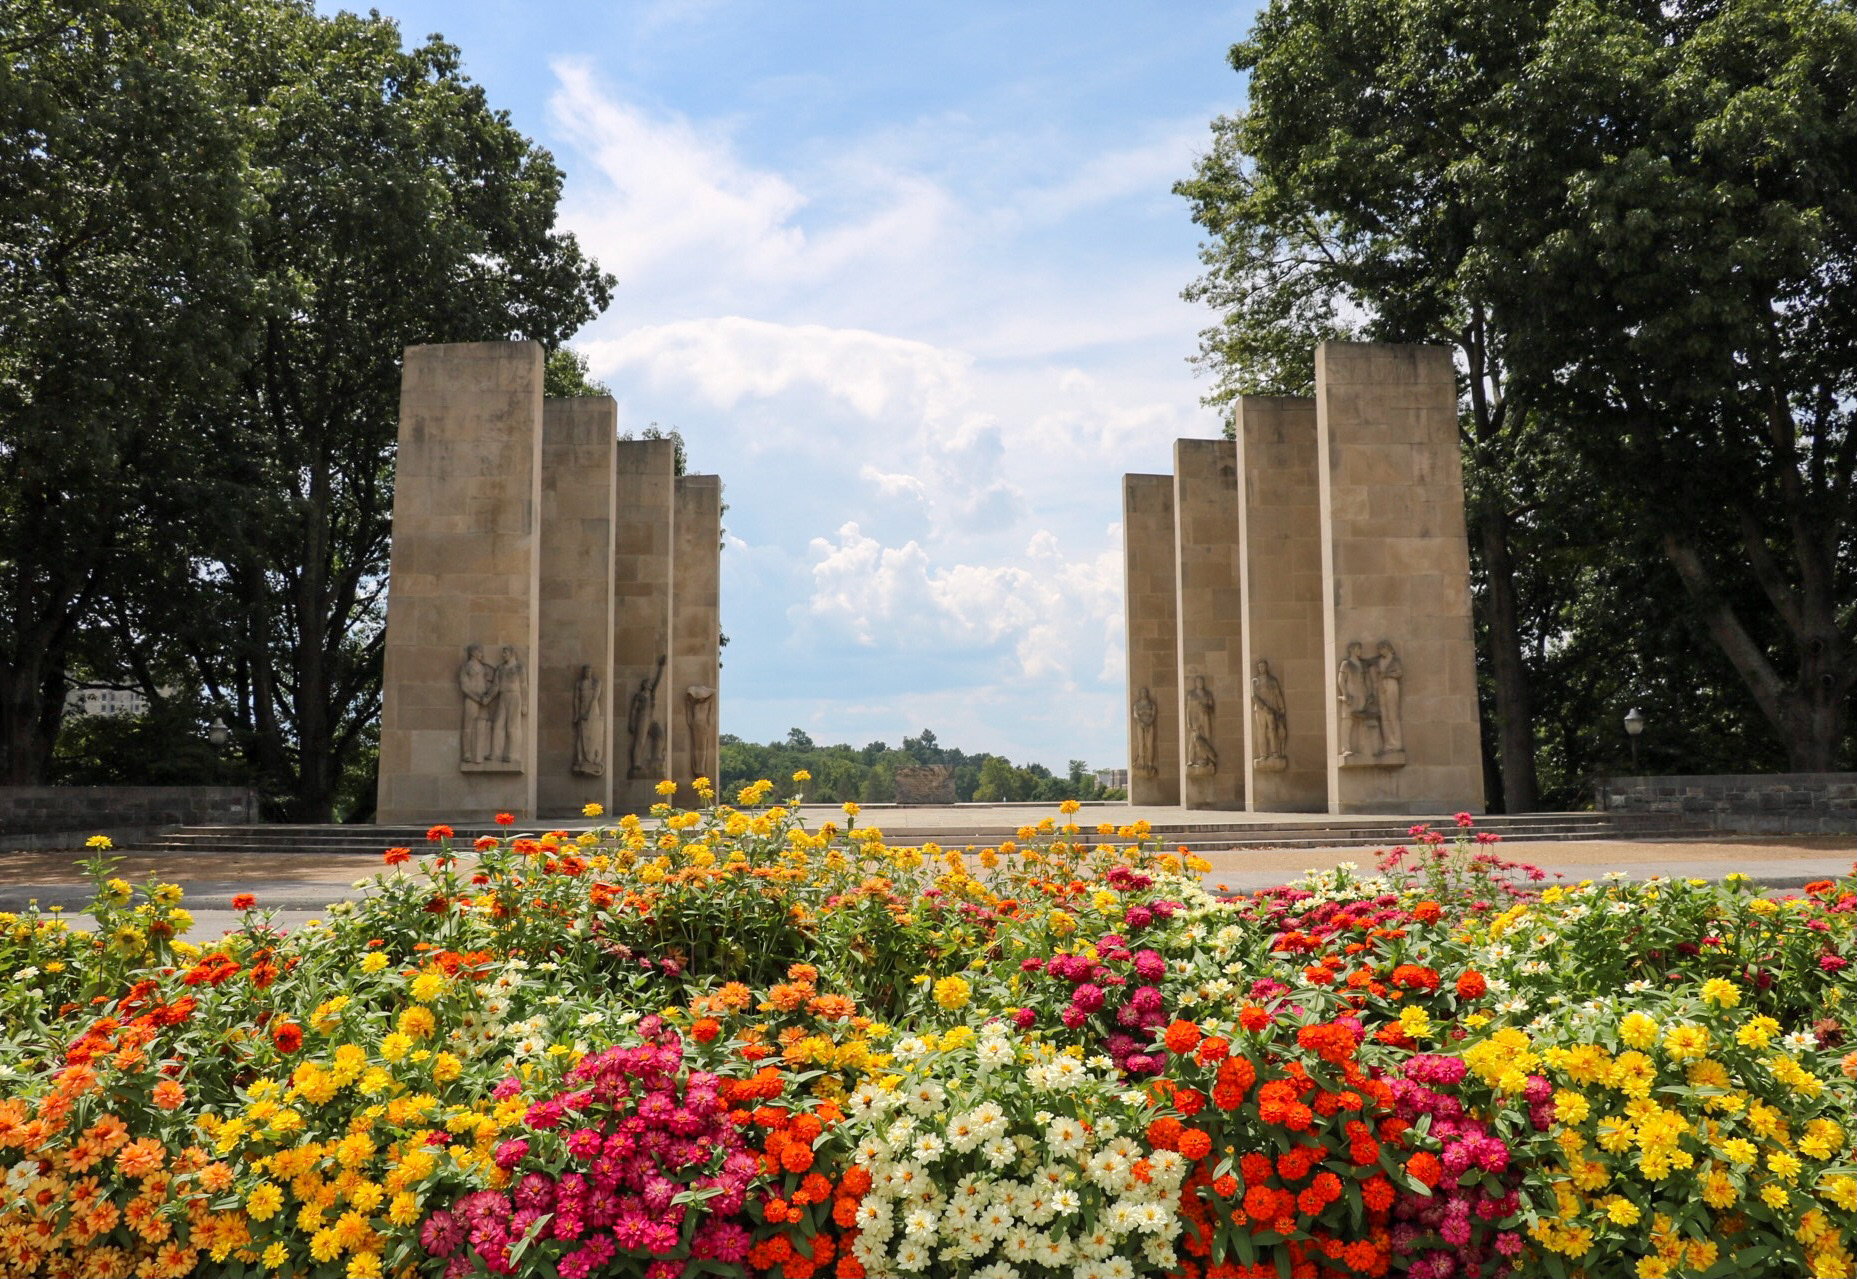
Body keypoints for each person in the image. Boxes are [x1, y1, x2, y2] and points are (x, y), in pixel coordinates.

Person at [1337, 641, 1375, 758]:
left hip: (1361, 695)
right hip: (1351, 696)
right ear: (1353, 650)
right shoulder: (1346, 663)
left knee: (1362, 721)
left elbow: (1367, 680)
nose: (1360, 651)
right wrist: (1345, 693)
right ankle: (1345, 748)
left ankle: (1364, 748)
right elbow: (1341, 680)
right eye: (1359, 649)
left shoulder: (1362, 664)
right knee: (1347, 721)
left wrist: (1369, 693)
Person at [457, 645, 494, 764]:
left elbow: (486, 684)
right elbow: (464, 687)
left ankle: (483, 751)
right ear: (473, 652)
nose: (481, 654)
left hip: (483, 700)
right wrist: (477, 698)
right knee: (468, 726)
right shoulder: (466, 667)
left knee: (484, 724)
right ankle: (467, 753)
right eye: (479, 652)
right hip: (472, 700)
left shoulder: (483, 668)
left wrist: (487, 697)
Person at [490, 646, 525, 763]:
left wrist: (524, 704)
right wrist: (487, 697)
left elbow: (524, 686)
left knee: (513, 726)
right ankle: (496, 753)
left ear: (511, 653)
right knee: (498, 725)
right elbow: (495, 686)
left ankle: (513, 754)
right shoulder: (500, 668)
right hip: (503, 697)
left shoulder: (519, 668)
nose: (503, 655)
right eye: (503, 653)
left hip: (514, 696)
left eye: (505, 652)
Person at [1251, 659, 1288, 763]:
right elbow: (1253, 695)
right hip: (1260, 709)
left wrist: (1281, 708)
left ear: (1266, 667)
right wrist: (1263, 706)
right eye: (1260, 666)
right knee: (1261, 731)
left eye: (1263, 666)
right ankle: (1263, 754)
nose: (1261, 668)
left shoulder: (1272, 680)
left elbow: (1278, 694)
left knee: (1272, 730)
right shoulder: (1255, 680)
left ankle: (1274, 752)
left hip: (1272, 709)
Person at [572, 665, 603, 776]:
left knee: (593, 736)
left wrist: (587, 713)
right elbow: (576, 699)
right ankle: (580, 759)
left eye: (590, 670)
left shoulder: (596, 682)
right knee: (580, 736)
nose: (588, 672)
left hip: (593, 711)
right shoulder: (579, 684)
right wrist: (577, 713)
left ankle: (594, 759)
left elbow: (595, 697)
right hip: (582, 709)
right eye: (586, 670)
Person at [1374, 640, 1404, 754]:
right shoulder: (1380, 661)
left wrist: (1387, 674)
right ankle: (1388, 743)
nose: (1380, 652)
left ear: (1387, 648)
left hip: (1391, 685)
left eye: (1382, 649)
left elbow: (1399, 673)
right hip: (1382, 686)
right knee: (1384, 714)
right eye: (1379, 650)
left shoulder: (1394, 660)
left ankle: (1396, 743)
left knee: (1392, 714)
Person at [1185, 675, 1218, 771]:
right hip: (1195, 719)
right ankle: (1191, 759)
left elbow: (1212, 708)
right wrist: (1188, 722)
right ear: (1196, 683)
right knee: (1194, 739)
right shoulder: (1191, 695)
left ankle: (1207, 759)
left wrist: (1206, 707)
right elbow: (1189, 710)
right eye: (1198, 681)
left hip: (1205, 717)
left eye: (1201, 681)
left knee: (1207, 738)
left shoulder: (1207, 694)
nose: (1200, 683)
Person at [1131, 686, 1158, 775]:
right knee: (1141, 744)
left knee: (1150, 745)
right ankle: (1141, 762)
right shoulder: (1137, 705)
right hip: (1140, 725)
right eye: (1142, 692)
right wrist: (1142, 723)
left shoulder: (1151, 704)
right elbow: (1135, 715)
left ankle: (1150, 763)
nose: (1144, 694)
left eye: (1145, 692)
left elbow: (1153, 715)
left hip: (1149, 725)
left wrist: (1148, 722)